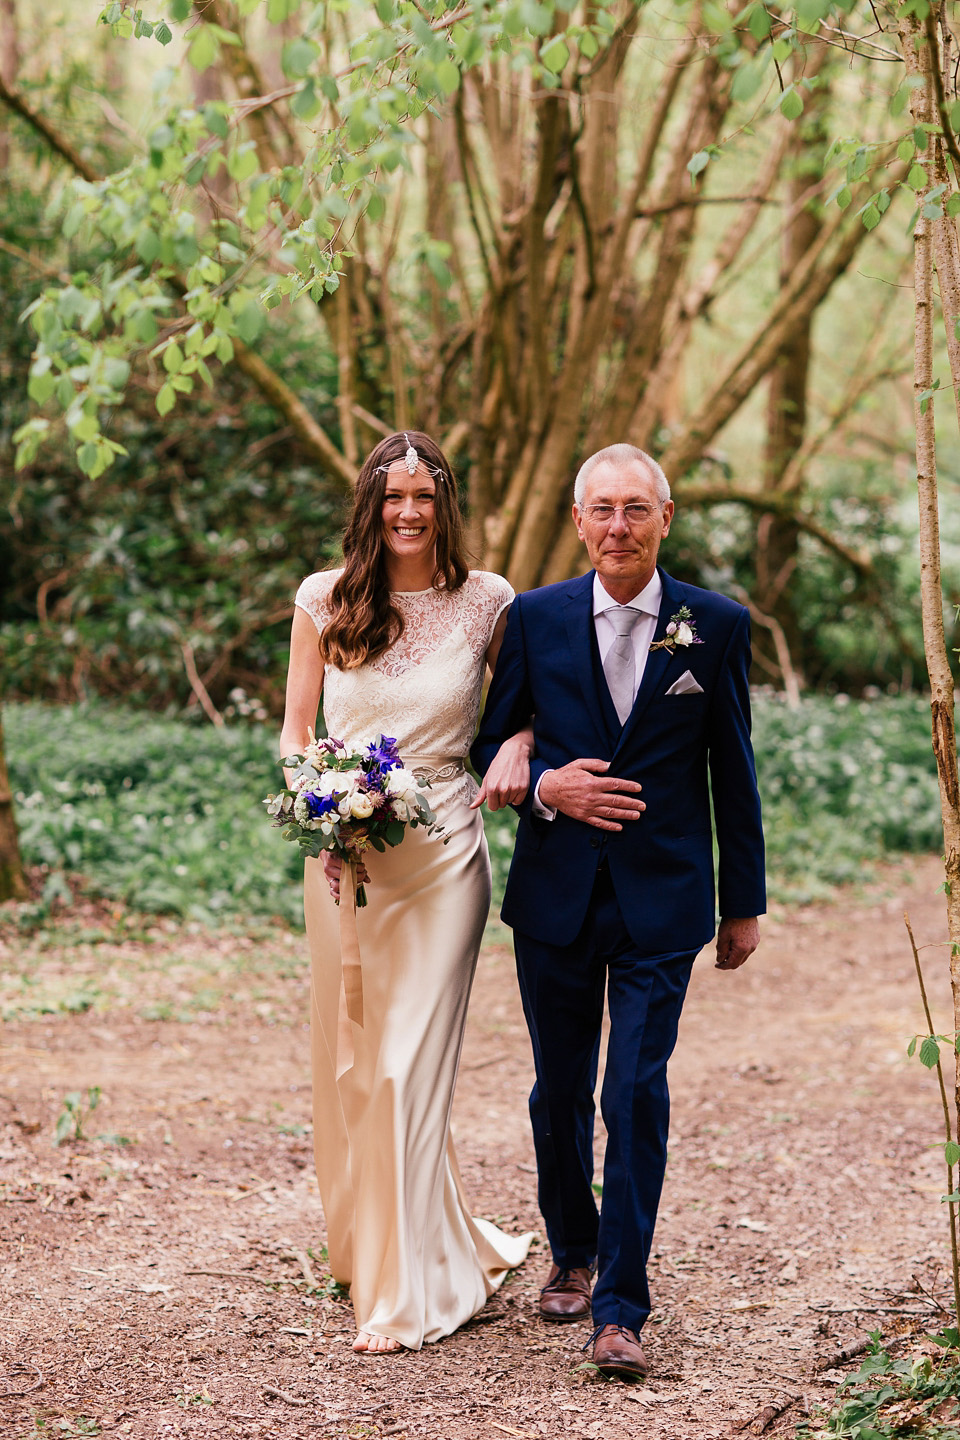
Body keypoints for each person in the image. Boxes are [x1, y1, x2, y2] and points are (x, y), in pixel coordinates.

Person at [472, 443, 765, 1380]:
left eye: (636, 509)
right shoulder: (536, 617)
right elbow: (494, 734)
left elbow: (735, 770)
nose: (618, 527)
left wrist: (743, 902)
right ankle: (572, 1247)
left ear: (665, 519)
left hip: (664, 901)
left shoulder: (713, 625)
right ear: (577, 520)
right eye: (601, 509)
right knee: (558, 1089)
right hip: (555, 894)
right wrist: (545, 779)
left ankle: (620, 1307)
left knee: (632, 1092)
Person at [280, 430, 533, 1354]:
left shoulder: (488, 603)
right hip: (344, 859)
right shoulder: (323, 598)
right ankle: (388, 1243)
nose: (410, 511)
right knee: (355, 1058)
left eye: (425, 495)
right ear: (371, 504)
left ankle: (406, 1294)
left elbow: (531, 706)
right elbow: (295, 726)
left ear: (447, 504)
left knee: (406, 1065)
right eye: (394, 495)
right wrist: (321, 811)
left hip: (444, 852)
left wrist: (518, 744)